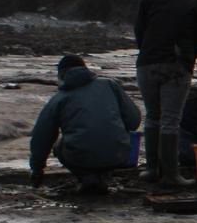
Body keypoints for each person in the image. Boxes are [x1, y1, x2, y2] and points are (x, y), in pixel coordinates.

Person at [133, 0, 197, 187]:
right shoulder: (196, 2)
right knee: (171, 119)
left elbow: (139, 30)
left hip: (146, 63)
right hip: (177, 65)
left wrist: (147, 51)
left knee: (152, 116)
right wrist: (189, 56)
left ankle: (151, 169)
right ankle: (171, 174)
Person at [29, 54, 142, 195]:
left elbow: (42, 136)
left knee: (59, 146)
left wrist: (37, 168)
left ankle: (88, 178)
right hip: (119, 153)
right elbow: (134, 120)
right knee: (111, 138)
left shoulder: (59, 98)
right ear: (85, 68)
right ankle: (103, 177)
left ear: (61, 75)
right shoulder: (109, 84)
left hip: (80, 156)